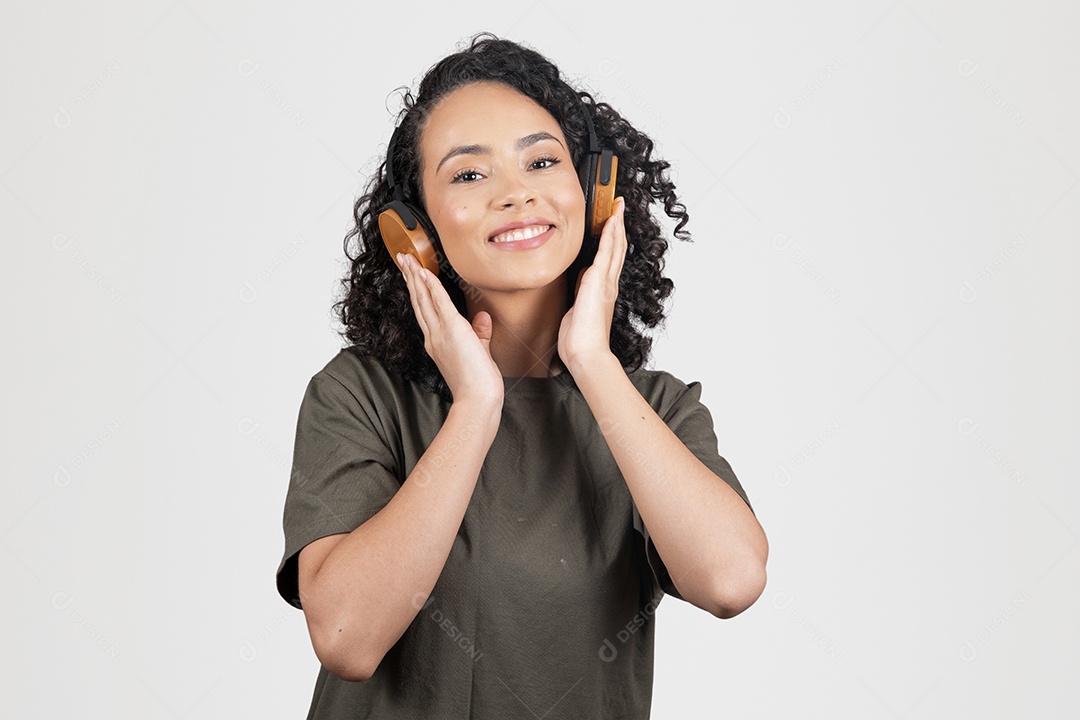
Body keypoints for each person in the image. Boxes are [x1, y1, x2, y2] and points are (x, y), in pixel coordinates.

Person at [276, 33, 768, 719]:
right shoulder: (360, 397)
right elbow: (346, 638)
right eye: (469, 175)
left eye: (541, 161)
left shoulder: (654, 408)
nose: (515, 194)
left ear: (595, 196)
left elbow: (732, 580)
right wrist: (476, 407)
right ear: (413, 231)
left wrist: (592, 362)